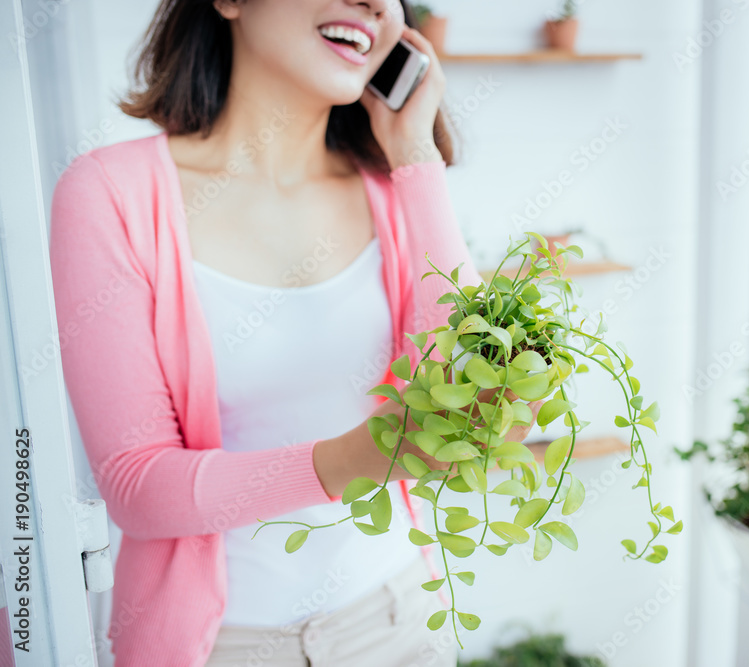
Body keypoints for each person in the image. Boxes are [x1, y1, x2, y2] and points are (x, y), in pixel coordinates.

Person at [48, 1, 538, 664]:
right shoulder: (109, 193)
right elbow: (138, 484)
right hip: (222, 647)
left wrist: (415, 153)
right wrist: (352, 459)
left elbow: (474, 396)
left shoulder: (392, 189)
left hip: (398, 621)